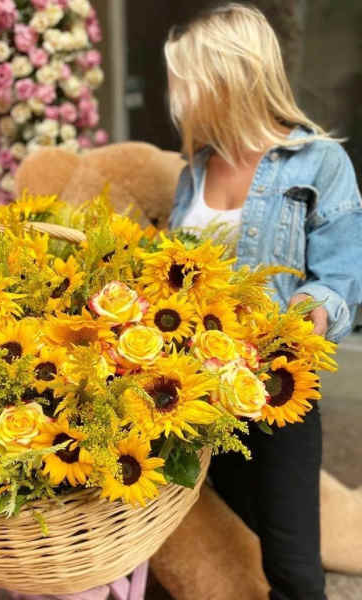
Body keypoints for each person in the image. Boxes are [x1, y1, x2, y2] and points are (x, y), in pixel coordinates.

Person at [164, 4, 362, 599]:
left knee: (293, 567)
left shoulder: (319, 162)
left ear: (229, 77)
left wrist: (302, 317)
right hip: (199, 392)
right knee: (236, 532)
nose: (178, 98)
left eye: (186, 81)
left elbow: (340, 278)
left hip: (276, 385)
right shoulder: (196, 170)